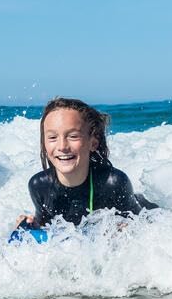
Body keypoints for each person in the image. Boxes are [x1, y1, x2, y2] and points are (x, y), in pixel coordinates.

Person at [17, 97, 156, 228]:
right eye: (52, 137)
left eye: (73, 136)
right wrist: (29, 225)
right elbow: (44, 227)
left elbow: (144, 227)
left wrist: (125, 230)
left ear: (93, 143)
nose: (62, 146)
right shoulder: (39, 186)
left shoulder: (114, 183)